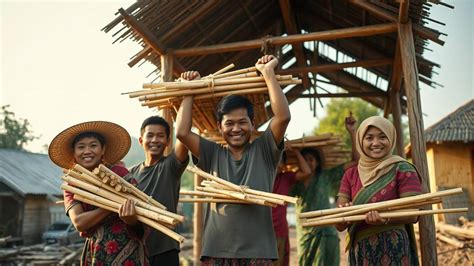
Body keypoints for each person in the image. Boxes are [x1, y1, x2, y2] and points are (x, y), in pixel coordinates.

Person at [176, 54, 290, 264]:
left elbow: (283, 117)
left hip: (259, 251)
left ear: (253, 124)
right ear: (219, 127)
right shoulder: (212, 153)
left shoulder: (264, 150)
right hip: (217, 251)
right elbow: (182, 132)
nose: (236, 129)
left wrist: (268, 73)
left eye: (242, 122)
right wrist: (189, 90)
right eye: (229, 123)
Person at [48, 121, 148, 265]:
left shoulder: (120, 174)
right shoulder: (72, 184)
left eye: (93, 145)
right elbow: (79, 222)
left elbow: (141, 216)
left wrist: (131, 218)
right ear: (74, 153)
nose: (87, 151)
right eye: (81, 147)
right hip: (97, 252)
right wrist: (112, 204)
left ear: (103, 149)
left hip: (129, 250)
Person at [335, 116, 422, 265]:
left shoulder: (403, 168)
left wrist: (385, 217)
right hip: (361, 251)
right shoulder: (350, 174)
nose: (376, 143)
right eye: (369, 138)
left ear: (391, 138)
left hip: (395, 249)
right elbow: (339, 223)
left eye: (382, 137)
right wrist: (346, 214)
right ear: (361, 141)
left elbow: (413, 213)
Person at [292, 114, 358, 266]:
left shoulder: (327, 176)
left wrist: (352, 132)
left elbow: (355, 162)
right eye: (305, 159)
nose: (308, 163)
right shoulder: (295, 182)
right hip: (306, 235)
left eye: (311, 159)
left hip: (327, 233)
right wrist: (295, 152)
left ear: (317, 161)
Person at [127, 116, 189, 266]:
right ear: (141, 141)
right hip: (135, 249)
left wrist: (183, 102)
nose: (155, 140)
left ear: (168, 141)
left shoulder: (170, 166)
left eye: (160, 136)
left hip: (165, 250)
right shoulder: (128, 175)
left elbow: (184, 134)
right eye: (150, 135)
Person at [272, 142, 311, 266]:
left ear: (284, 165)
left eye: (280, 161)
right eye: (273, 160)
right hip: (259, 232)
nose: (277, 164)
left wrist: (296, 152)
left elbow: (307, 172)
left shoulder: (286, 178)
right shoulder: (257, 177)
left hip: (279, 232)